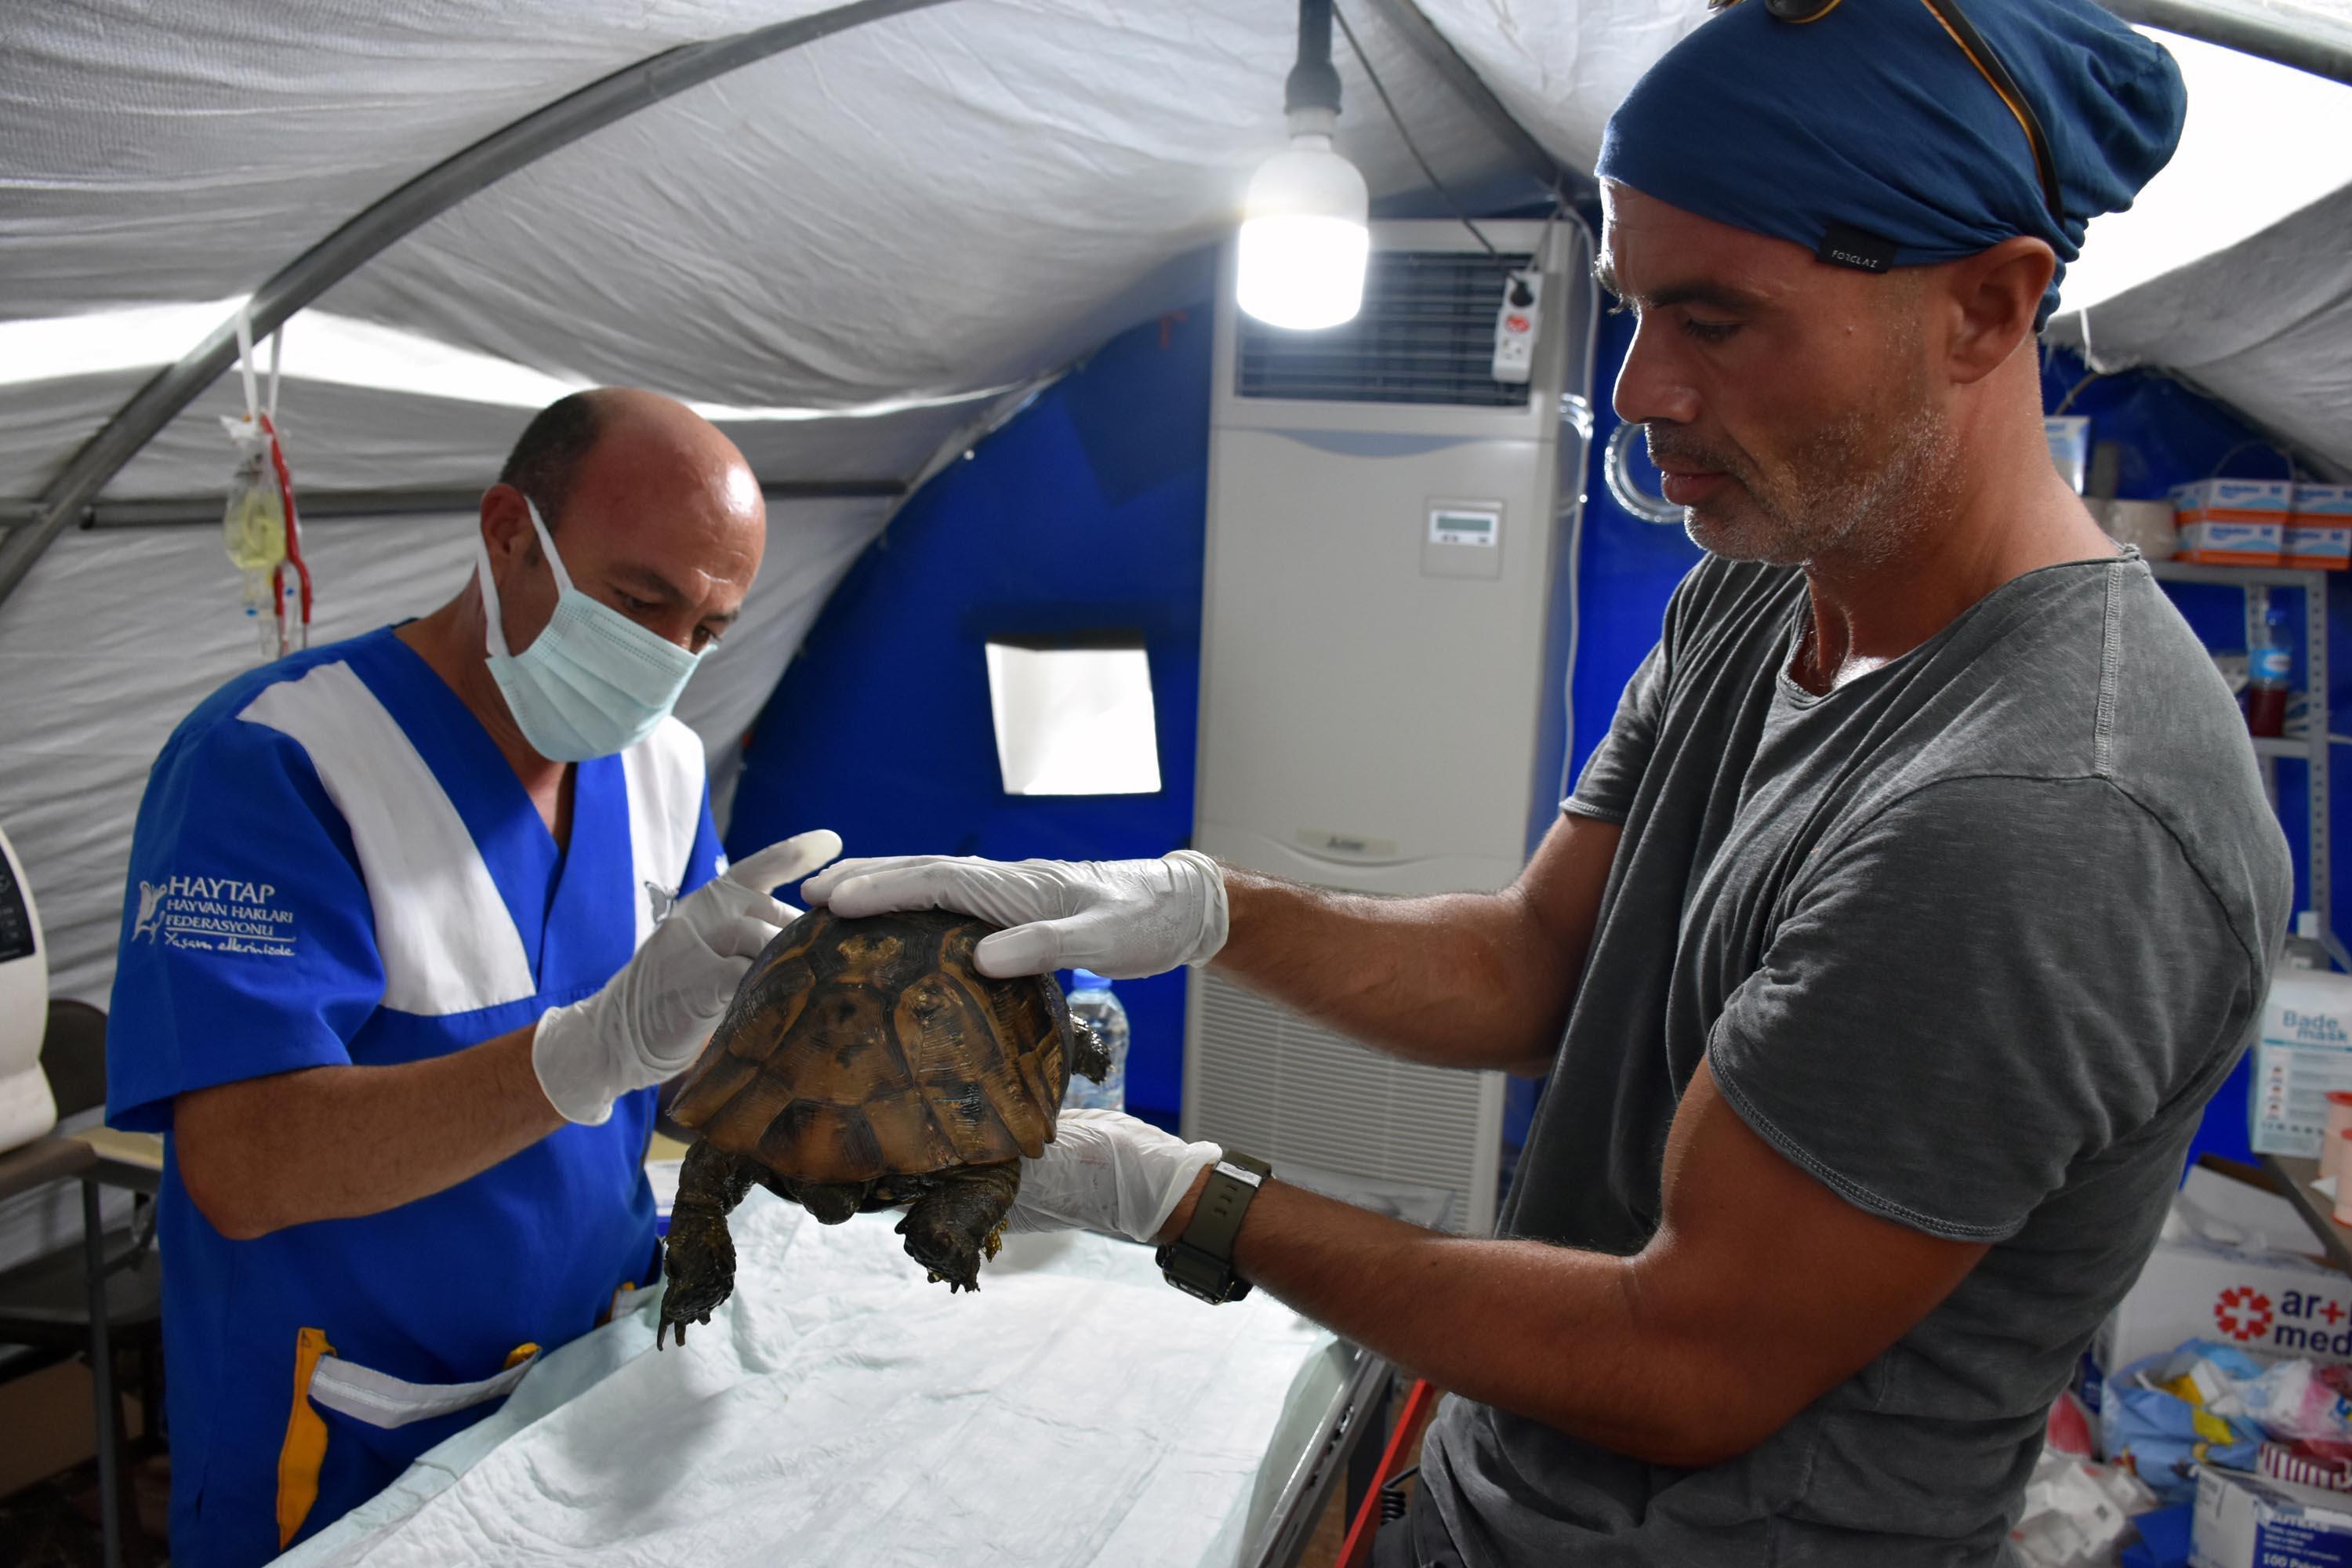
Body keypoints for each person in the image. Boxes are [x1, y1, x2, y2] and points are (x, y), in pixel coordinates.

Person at [801, 1, 2292, 1560]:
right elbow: (1535, 967)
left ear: (1987, 306)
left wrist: (1171, 1192)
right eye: (1633, 306)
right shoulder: (1767, 584)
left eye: (1715, 320)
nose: (1641, 389)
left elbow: (1676, 1361)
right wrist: (1186, 908)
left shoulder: (2044, 813)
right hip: (1504, 1494)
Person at [106, 388, 839, 1567]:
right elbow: (244, 1166)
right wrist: (581, 1056)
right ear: (507, 530)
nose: (663, 661)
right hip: (351, 1428)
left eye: (705, 632)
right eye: (638, 601)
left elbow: (681, 1069)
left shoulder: (659, 766)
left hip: (586, 1391)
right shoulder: (284, 761)